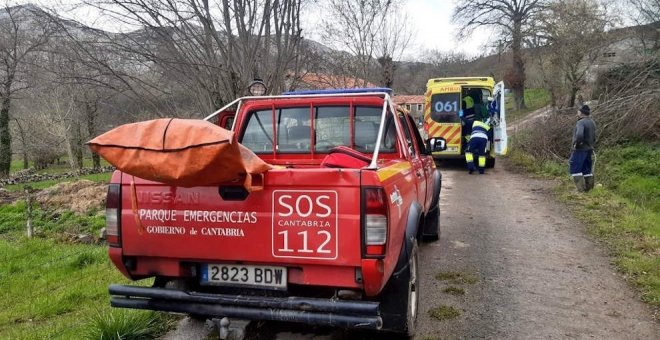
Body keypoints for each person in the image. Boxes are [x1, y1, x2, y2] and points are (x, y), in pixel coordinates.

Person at [569, 105, 596, 192]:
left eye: (578, 111)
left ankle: (580, 190)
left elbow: (579, 135)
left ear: (581, 112)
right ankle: (589, 190)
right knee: (587, 169)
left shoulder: (580, 122)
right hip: (589, 149)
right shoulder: (592, 122)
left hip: (580, 150)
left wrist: (577, 145)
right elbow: (594, 137)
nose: (577, 112)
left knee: (575, 168)